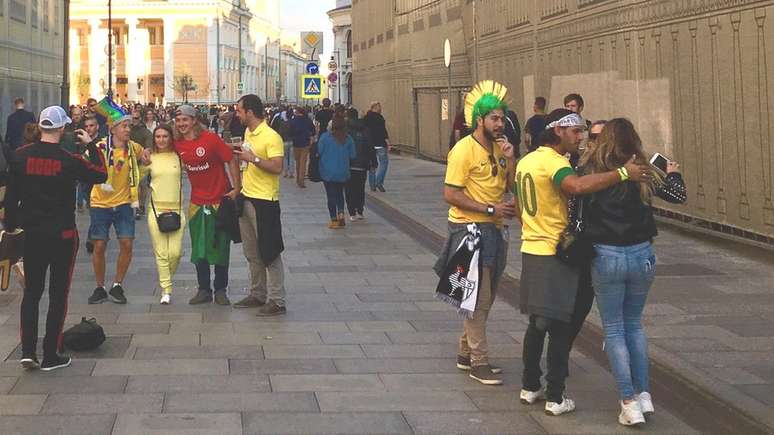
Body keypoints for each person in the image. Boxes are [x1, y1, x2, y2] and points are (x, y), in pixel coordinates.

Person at [515, 108, 651, 416]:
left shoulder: (526, 161)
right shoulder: (554, 163)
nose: (580, 137)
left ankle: (529, 386)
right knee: (563, 326)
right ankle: (555, 396)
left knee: (537, 324)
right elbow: (574, 187)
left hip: (531, 248)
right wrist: (622, 174)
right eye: (575, 131)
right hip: (556, 252)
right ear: (558, 131)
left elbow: (520, 205)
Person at [578, 118, 686, 426]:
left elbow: (575, 204)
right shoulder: (643, 171)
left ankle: (628, 401)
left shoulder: (591, 171)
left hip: (607, 254)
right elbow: (678, 196)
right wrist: (674, 173)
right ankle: (644, 394)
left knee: (613, 329)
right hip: (642, 255)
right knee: (634, 326)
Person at [4, 105, 107, 371]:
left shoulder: (20, 156)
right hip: (62, 234)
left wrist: (11, 227)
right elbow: (100, 173)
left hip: (32, 234)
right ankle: (50, 353)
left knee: (32, 293)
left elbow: (11, 198)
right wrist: (92, 144)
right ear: (62, 128)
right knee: (58, 294)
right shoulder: (68, 159)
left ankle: (28, 351)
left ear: (40, 126)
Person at [434, 81, 516, 386]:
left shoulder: (499, 148)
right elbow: (451, 194)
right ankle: (478, 361)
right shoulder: (463, 150)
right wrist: (490, 209)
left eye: (502, 118)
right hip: (469, 231)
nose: (499, 123)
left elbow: (508, 186)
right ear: (479, 119)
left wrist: (510, 158)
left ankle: (465, 351)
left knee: (489, 294)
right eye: (494, 118)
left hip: (494, 231)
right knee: (477, 298)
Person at [170, 104, 241, 306]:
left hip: (220, 202)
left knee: (220, 247)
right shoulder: (178, 145)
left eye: (185, 120)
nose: (182, 124)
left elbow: (230, 160)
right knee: (198, 248)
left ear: (194, 121)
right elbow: (159, 149)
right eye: (178, 121)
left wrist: (236, 188)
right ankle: (203, 289)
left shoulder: (210, 139)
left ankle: (220, 289)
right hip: (196, 204)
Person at [231, 94, 287, 316]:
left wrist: (252, 158)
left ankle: (277, 300)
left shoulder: (271, 136)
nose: (237, 114)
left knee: (270, 251)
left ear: (250, 113)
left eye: (239, 111)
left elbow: (277, 167)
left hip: (265, 201)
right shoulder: (248, 132)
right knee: (251, 252)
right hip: (247, 196)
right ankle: (258, 293)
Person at [86, 106, 146, 305]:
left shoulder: (133, 148)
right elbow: (85, 164)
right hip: (100, 203)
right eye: (123, 126)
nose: (128, 129)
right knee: (100, 245)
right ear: (112, 129)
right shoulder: (100, 147)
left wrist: (147, 157)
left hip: (124, 203)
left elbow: (145, 158)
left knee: (127, 243)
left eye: (129, 125)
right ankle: (100, 286)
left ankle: (117, 284)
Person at [141, 124, 186, 305]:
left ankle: (167, 278)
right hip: (156, 209)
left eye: (165, 136)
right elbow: (136, 176)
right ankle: (166, 289)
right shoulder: (149, 157)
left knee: (174, 253)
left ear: (170, 138)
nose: (161, 140)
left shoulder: (179, 156)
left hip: (176, 209)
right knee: (161, 253)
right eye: (158, 137)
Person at [318, 115, 356, 229]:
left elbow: (319, 152)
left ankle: (333, 219)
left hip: (327, 172)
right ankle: (341, 214)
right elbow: (353, 155)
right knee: (339, 193)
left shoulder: (325, 137)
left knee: (330, 195)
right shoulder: (348, 138)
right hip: (343, 171)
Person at [344, 108, 377, 221]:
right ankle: (360, 211)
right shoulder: (365, 129)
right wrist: (374, 161)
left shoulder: (345, 130)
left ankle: (351, 212)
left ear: (347, 116)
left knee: (349, 189)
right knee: (360, 188)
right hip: (362, 164)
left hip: (348, 164)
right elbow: (370, 146)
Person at [130, 108, 153, 219]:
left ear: (140, 119)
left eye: (136, 118)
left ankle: (141, 206)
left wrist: (145, 153)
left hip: (141, 162)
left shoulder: (145, 132)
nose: (134, 120)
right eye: (132, 118)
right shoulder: (126, 129)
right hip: (128, 162)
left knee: (142, 185)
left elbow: (149, 146)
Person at [364, 101, 390, 192]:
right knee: (384, 163)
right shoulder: (380, 117)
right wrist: (388, 142)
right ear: (375, 107)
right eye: (379, 107)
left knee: (372, 164)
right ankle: (379, 182)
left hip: (370, 145)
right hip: (380, 143)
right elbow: (383, 131)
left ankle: (372, 185)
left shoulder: (366, 118)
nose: (381, 108)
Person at [289, 107, 315, 188]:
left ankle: (298, 179)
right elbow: (313, 130)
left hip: (296, 143)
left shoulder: (293, 121)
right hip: (305, 143)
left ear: (297, 112)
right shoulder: (308, 120)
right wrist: (310, 135)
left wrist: (293, 136)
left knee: (298, 161)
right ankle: (301, 180)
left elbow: (290, 132)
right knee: (303, 162)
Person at [271, 108, 293, 178]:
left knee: (285, 157)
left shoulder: (282, 123)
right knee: (291, 158)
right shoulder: (292, 122)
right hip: (292, 142)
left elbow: (280, 133)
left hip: (284, 141)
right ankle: (291, 173)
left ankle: (285, 172)